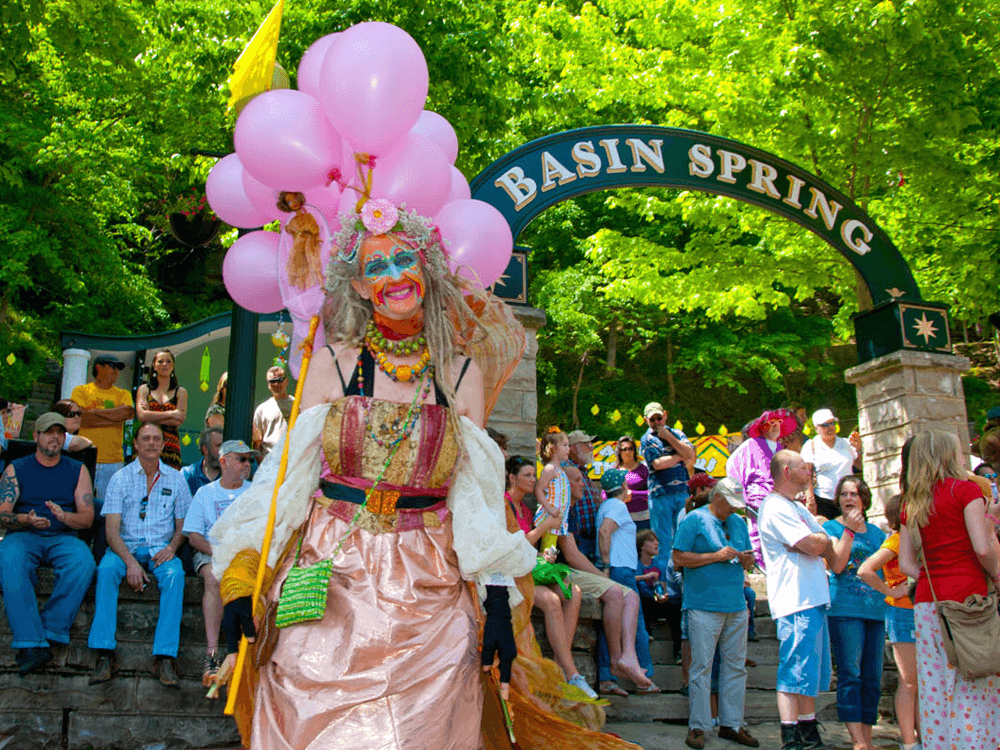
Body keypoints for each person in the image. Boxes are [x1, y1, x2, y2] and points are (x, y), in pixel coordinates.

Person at [209, 200, 537, 748]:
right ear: (358, 286)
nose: (393, 278)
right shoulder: (332, 363)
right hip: (329, 568)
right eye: (375, 267)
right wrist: (244, 579)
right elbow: (286, 481)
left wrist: (497, 597)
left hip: (430, 586)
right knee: (308, 718)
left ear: (425, 271)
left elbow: (475, 499)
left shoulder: (459, 371)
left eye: (403, 260)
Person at [898, 430, 1000, 749]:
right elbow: (982, 549)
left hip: (928, 603)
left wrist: (934, 578)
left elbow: (906, 564)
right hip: (968, 600)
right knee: (974, 680)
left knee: (936, 685)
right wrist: (996, 575)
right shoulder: (966, 491)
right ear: (947, 454)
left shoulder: (913, 502)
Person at [87, 422, 192, 688]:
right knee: (107, 571)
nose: (151, 443)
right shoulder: (120, 478)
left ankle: (165, 657)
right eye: (145, 438)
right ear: (135, 444)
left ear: (163, 444)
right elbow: (111, 531)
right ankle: (104, 653)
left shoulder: (177, 479)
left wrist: (171, 548)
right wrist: (131, 563)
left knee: (174, 575)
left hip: (161, 548)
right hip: (125, 547)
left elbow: (183, 527)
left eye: (157, 439)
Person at [0, 413, 97, 675]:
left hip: (63, 536)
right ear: (36, 436)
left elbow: (87, 519)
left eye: (60, 432)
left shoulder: (78, 470)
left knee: (83, 561)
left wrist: (65, 517)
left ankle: (51, 629)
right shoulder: (16, 468)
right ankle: (32, 644)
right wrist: (24, 519)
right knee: (9, 558)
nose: (55, 437)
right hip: (24, 534)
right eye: (48, 431)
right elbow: (2, 513)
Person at [758, 450, 835, 750]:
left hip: (812, 598)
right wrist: (819, 541)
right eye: (804, 467)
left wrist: (819, 541)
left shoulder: (796, 507)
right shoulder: (775, 506)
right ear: (787, 471)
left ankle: (809, 731)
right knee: (795, 669)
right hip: (795, 600)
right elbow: (814, 544)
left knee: (810, 673)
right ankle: (790, 739)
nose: (810, 471)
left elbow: (820, 542)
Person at [673, 481, 759, 749]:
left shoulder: (737, 523)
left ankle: (732, 724)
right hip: (703, 604)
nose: (735, 508)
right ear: (719, 497)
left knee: (735, 666)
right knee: (701, 666)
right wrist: (715, 556)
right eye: (732, 502)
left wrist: (747, 560)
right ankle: (698, 725)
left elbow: (748, 558)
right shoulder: (694, 520)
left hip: (735, 603)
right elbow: (678, 558)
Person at [556, 463, 654, 696]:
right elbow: (601, 535)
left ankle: (618, 664)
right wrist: (606, 566)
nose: (586, 485)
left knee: (623, 605)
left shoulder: (601, 506)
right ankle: (631, 667)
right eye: (579, 480)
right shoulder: (616, 506)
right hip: (616, 567)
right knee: (631, 615)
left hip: (610, 567)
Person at [505, 455, 595, 699]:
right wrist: (546, 526)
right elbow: (518, 544)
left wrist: (545, 555)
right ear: (511, 478)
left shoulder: (525, 508)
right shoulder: (506, 505)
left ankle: (559, 663)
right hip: (511, 576)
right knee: (553, 601)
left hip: (529, 570)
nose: (532, 480)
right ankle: (571, 673)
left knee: (573, 591)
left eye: (534, 475)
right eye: (527, 476)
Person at [821, 475, 886, 750]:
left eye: (855, 494)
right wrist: (848, 530)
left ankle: (867, 740)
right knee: (851, 673)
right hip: (845, 610)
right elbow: (836, 566)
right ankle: (857, 741)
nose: (849, 498)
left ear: (864, 500)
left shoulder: (877, 533)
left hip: (876, 612)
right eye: (845, 494)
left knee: (872, 678)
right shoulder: (831, 528)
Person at [183, 439, 255, 685]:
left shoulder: (255, 492)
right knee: (213, 578)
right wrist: (220, 552)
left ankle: (249, 655)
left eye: (250, 460)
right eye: (242, 459)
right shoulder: (205, 493)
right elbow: (193, 536)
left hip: (245, 556)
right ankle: (212, 655)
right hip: (211, 552)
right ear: (223, 461)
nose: (247, 464)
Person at [857, 494, 919, 750]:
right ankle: (909, 742)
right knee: (908, 681)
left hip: (916, 612)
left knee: (920, 682)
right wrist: (891, 591)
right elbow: (865, 570)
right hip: (903, 614)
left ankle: (923, 737)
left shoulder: (913, 539)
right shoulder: (896, 539)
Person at [726, 408, 799, 569]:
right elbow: (732, 465)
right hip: (758, 498)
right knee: (760, 534)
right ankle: (762, 564)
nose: (775, 426)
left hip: (781, 498)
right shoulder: (751, 445)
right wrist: (741, 496)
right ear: (762, 427)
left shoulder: (781, 450)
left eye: (777, 423)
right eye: (770, 423)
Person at [71, 353, 135, 502]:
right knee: (80, 502)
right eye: (112, 366)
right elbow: (80, 419)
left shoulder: (123, 393)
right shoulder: (81, 391)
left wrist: (92, 413)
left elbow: (127, 413)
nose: (115, 371)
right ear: (98, 367)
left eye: (118, 368)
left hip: (113, 460)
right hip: (85, 456)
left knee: (110, 505)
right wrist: (115, 419)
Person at [640, 402, 695, 569]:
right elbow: (657, 464)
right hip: (660, 495)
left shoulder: (677, 433)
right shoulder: (646, 439)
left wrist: (670, 439)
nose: (657, 422)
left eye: (659, 418)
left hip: (682, 493)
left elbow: (691, 455)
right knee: (662, 541)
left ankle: (682, 577)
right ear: (645, 420)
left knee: (684, 538)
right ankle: (663, 582)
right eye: (652, 420)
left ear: (665, 415)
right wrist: (681, 455)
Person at [800, 408, 862, 521]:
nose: (830, 427)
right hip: (824, 500)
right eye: (825, 425)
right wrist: (810, 500)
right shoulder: (811, 446)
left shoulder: (846, 443)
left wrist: (858, 449)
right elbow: (806, 474)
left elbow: (859, 466)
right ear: (816, 428)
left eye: (832, 423)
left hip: (849, 498)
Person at [135, 349, 188, 469]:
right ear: (154, 365)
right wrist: (172, 413)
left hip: (170, 445)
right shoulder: (144, 389)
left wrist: (150, 416)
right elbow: (142, 416)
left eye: (168, 361)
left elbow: (179, 420)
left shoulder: (180, 392)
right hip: (146, 442)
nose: (164, 364)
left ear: (173, 366)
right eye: (160, 361)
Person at [565, 429, 602, 564]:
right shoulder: (568, 471)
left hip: (590, 539)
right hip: (577, 539)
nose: (591, 447)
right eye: (587, 444)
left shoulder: (583, 472)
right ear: (573, 448)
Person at [535, 431, 572, 551]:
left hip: (557, 518)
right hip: (550, 517)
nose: (568, 449)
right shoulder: (550, 469)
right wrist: (550, 509)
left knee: (553, 549)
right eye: (565, 445)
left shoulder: (560, 469)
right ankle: (546, 568)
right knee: (548, 549)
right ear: (554, 448)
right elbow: (539, 490)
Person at [251, 365, 293, 460]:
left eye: (280, 380)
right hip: (270, 459)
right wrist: (262, 464)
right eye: (272, 381)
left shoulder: (297, 405)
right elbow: (257, 443)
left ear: (286, 381)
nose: (276, 384)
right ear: (268, 385)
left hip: (293, 460)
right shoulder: (262, 409)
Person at [616, 435, 650, 530]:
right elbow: (604, 494)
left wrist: (634, 495)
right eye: (624, 449)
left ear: (634, 451)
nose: (628, 452)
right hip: (620, 519)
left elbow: (652, 492)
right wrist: (618, 497)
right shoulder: (614, 471)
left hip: (642, 519)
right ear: (619, 452)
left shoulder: (644, 470)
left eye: (630, 449)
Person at [181, 426, 223, 497]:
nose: (224, 451)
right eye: (219, 446)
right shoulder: (189, 474)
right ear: (205, 449)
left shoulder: (230, 475)